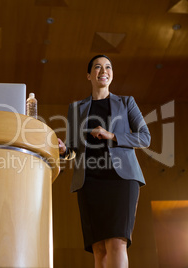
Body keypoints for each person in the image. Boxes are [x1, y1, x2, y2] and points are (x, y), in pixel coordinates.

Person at [57, 55, 151, 268]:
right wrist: (63, 151)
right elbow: (73, 150)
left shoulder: (127, 102)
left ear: (111, 74)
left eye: (108, 67)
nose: (103, 71)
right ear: (89, 75)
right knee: (98, 249)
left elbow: (145, 137)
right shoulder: (76, 108)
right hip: (89, 181)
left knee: (117, 242)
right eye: (97, 67)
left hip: (121, 180)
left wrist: (112, 135)